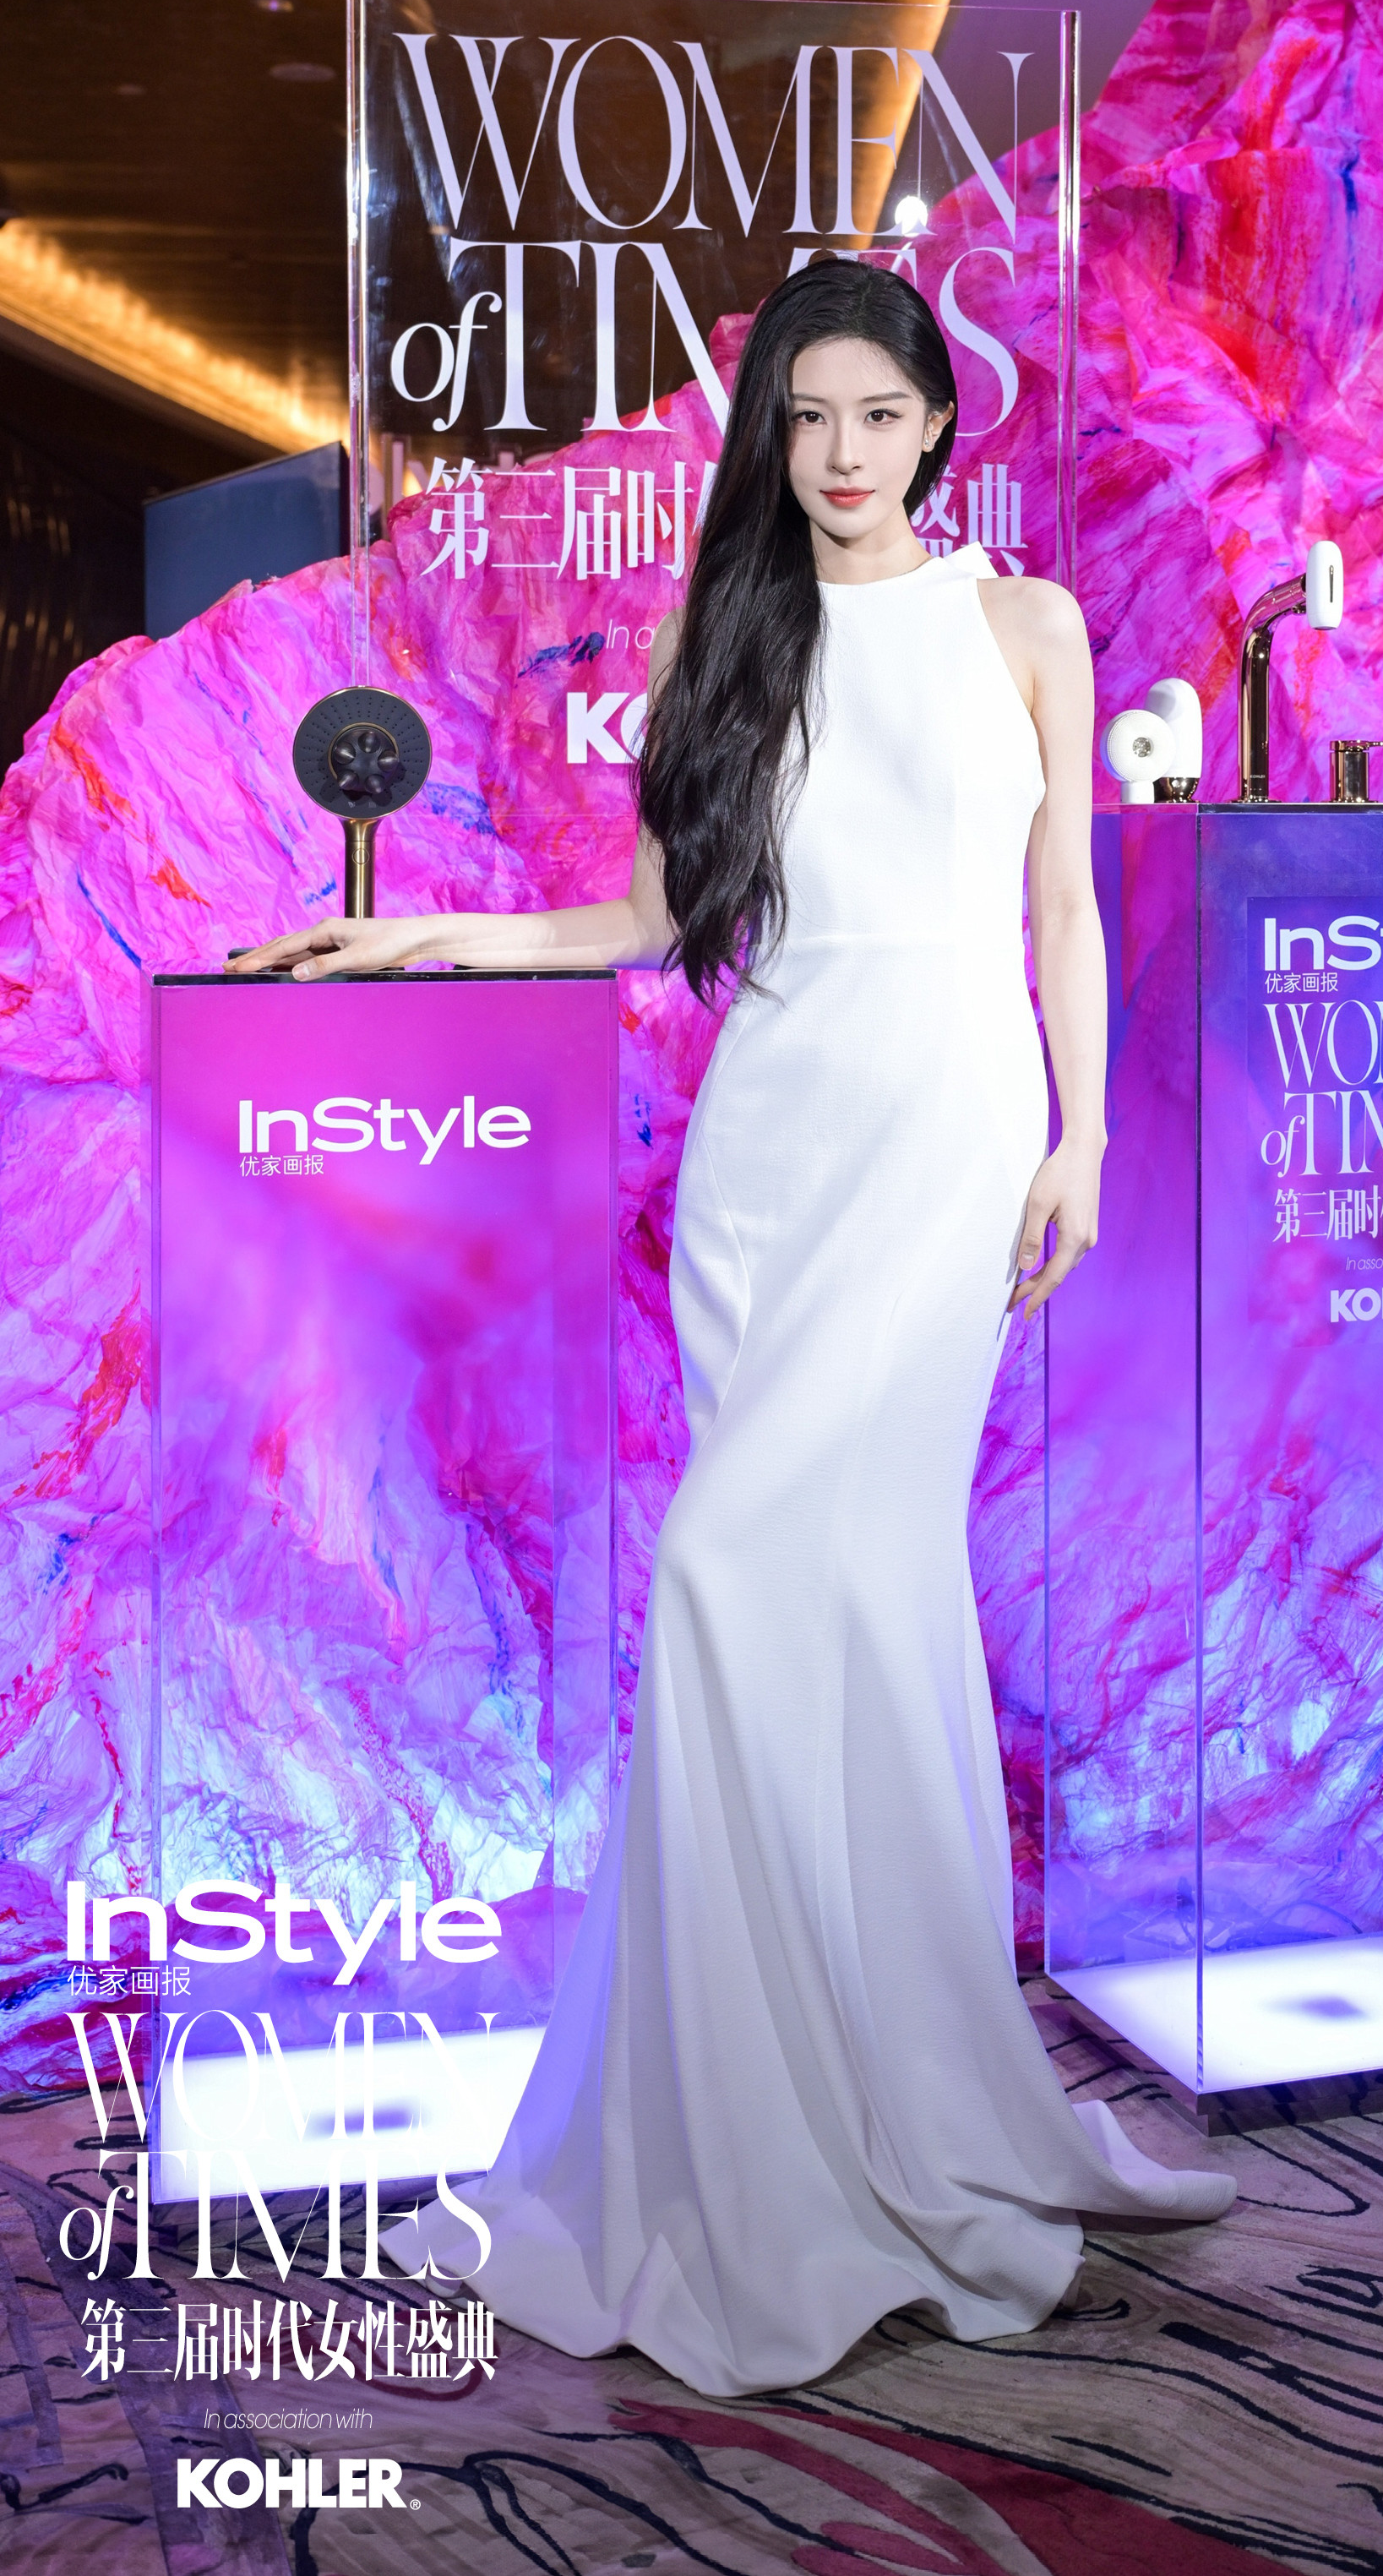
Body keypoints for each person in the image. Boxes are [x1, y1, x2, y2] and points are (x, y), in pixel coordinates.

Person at [231, 256, 1233, 2394]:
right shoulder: (730, 633)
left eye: (878, 412)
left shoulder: (1027, 627)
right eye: (808, 416)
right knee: (850, 1608)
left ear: (939, 421)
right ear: (772, 434)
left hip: (951, 1128)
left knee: (734, 1573)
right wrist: (422, 937)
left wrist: (1084, 1140)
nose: (844, 452)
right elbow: (655, 917)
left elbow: (1064, 902)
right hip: (766, 1155)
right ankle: (772, 2113)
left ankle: (869, 2114)